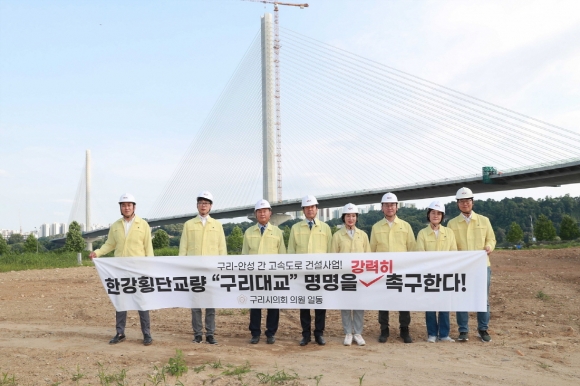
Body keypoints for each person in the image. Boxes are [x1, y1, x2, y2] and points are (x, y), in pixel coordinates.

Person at [89, 193, 154, 346]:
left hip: (138, 270)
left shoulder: (143, 224)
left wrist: (150, 268)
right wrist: (97, 252)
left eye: (129, 205)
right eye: (123, 205)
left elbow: (148, 248)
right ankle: (120, 333)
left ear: (134, 207)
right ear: (120, 208)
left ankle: (147, 334)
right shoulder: (116, 225)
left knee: (141, 302)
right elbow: (110, 244)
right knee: (121, 301)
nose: (126, 208)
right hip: (120, 270)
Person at [447, 187, 496, 343]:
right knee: (462, 298)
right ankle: (463, 331)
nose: (464, 204)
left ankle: (483, 329)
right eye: (461, 201)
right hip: (462, 267)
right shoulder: (452, 223)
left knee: (483, 299)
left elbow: (491, 239)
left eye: (467, 200)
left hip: (482, 265)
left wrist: (489, 247)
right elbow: (451, 244)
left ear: (472, 202)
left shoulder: (484, 221)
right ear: (457, 204)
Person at [178, 191, 227, 345]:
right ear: (197, 205)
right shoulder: (189, 225)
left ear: (211, 206)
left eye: (206, 203)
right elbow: (183, 249)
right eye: (201, 203)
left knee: (211, 305)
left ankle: (210, 334)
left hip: (211, 271)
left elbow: (222, 249)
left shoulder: (217, 225)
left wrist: (221, 269)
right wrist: (182, 268)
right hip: (194, 271)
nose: (203, 205)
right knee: (196, 304)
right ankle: (198, 334)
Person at [370, 192, 416, 344]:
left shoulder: (406, 226)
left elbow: (412, 249)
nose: (389, 207)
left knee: (404, 302)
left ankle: (404, 330)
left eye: (392, 205)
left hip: (402, 270)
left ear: (397, 207)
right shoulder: (376, 227)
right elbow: (372, 251)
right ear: (382, 208)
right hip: (383, 271)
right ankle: (384, 330)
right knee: (383, 302)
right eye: (386, 205)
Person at [287, 195, 333, 346]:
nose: (310, 209)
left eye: (313, 207)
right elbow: (291, 251)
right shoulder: (296, 228)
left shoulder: (325, 228)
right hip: (302, 274)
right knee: (305, 304)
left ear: (317, 209)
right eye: (307, 207)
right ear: (303, 210)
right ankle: (305, 334)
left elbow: (330, 251)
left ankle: (319, 333)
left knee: (320, 304)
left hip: (320, 273)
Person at [242, 199, 286, 344]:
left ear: (270, 213)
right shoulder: (249, 232)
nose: (262, 213)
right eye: (259, 211)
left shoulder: (277, 232)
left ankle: (271, 333)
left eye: (265, 211)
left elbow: (282, 255)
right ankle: (255, 333)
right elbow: (245, 255)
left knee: (273, 305)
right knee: (255, 304)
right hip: (254, 275)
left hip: (273, 275)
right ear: (255, 214)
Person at [416, 201, 457, 343]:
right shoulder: (422, 233)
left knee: (445, 306)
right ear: (428, 215)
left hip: (445, 274)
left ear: (442, 216)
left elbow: (453, 253)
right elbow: (420, 254)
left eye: (438, 213)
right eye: (433, 213)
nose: (435, 216)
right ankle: (432, 334)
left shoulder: (449, 233)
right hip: (429, 274)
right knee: (430, 305)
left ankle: (444, 334)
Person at [330, 203, 370, 346]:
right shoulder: (337, 236)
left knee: (359, 305)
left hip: (359, 277)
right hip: (344, 276)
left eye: (353, 216)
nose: (350, 219)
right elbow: (333, 257)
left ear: (356, 218)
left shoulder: (363, 235)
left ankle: (358, 333)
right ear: (343, 217)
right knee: (346, 305)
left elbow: (368, 257)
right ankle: (348, 332)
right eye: (348, 216)